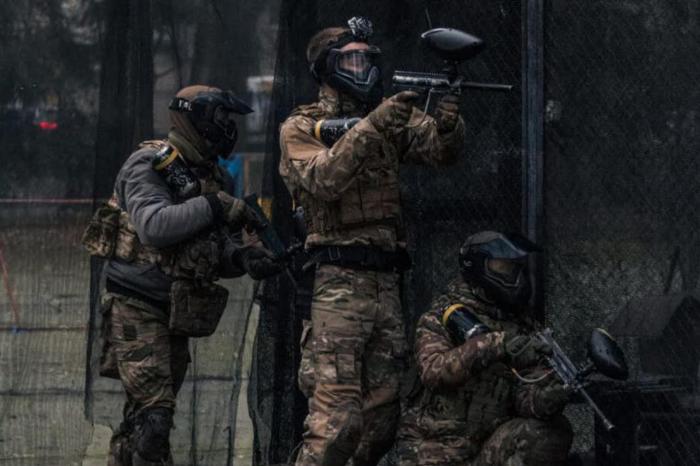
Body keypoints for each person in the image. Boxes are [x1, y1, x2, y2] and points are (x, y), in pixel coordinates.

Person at [278, 16, 465, 466]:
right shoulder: (300, 126)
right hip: (337, 283)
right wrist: (374, 126)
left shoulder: (382, 116)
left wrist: (448, 119)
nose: (362, 69)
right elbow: (323, 179)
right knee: (336, 426)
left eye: (366, 60)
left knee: (379, 423)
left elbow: (439, 150)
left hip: (385, 281)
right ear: (327, 68)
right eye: (351, 61)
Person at [82, 85, 282, 466]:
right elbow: (154, 226)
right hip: (135, 306)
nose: (228, 128)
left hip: (174, 311)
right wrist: (215, 205)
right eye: (220, 118)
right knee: (154, 421)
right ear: (195, 118)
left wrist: (243, 259)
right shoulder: (149, 162)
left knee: (142, 424)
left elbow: (212, 249)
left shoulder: (211, 176)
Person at [394, 231, 573, 466]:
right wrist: (496, 345)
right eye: (504, 267)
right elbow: (434, 372)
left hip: (485, 449)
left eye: (516, 267)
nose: (514, 275)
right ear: (478, 266)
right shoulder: (443, 316)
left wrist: (546, 399)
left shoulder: (522, 326)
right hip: (433, 450)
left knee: (550, 432)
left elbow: (525, 395)